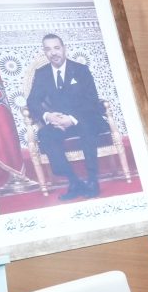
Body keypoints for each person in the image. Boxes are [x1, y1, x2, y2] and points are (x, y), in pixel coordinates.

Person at [24, 31, 111, 200]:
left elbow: (92, 101)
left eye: (56, 48)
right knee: (45, 134)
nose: (53, 52)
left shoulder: (80, 70)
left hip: (85, 118)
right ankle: (74, 181)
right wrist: (49, 116)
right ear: (45, 52)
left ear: (64, 48)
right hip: (59, 122)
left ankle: (92, 180)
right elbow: (32, 101)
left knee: (87, 128)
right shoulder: (42, 73)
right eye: (48, 49)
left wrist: (71, 119)